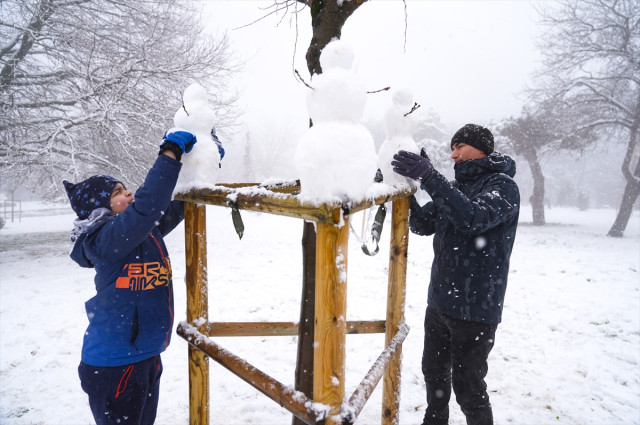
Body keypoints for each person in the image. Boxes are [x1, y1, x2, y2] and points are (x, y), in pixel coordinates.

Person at [64, 128, 200, 425]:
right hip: (114, 366)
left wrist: (202, 160)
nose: (128, 192)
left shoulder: (140, 232)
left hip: (145, 356)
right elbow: (148, 206)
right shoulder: (106, 238)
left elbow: (175, 203)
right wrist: (170, 152)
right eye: (118, 192)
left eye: (125, 188)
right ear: (100, 209)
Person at [391, 124, 520, 425]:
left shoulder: (503, 186)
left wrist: (430, 177)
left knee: (468, 388)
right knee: (434, 376)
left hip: (475, 309)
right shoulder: (457, 189)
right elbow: (423, 223)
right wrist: (404, 186)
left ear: (480, 148)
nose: (453, 154)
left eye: (459, 146)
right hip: (439, 303)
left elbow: (472, 218)